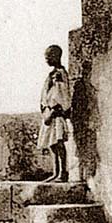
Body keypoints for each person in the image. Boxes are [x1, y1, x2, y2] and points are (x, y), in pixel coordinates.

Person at [38, 44, 71, 182]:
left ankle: (63, 172)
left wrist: (54, 110)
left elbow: (61, 94)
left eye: (49, 57)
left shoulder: (59, 74)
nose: (47, 59)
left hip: (55, 114)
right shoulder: (52, 74)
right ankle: (56, 172)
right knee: (52, 144)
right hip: (49, 113)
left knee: (58, 143)